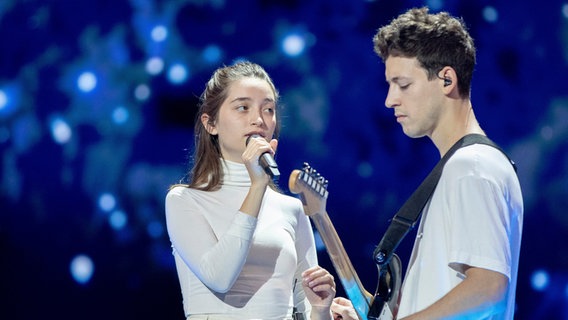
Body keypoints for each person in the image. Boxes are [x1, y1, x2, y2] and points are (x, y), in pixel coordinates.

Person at [366, 7, 523, 320]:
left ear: (447, 79)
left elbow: (488, 288)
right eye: (389, 84)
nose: (390, 99)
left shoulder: (471, 167)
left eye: (403, 84)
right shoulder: (469, 165)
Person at [165, 61, 337, 319]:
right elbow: (219, 277)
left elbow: (307, 307)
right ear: (211, 123)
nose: (258, 120)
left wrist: (322, 309)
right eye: (243, 108)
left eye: (268, 109)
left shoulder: (291, 209)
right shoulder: (184, 200)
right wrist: (257, 186)